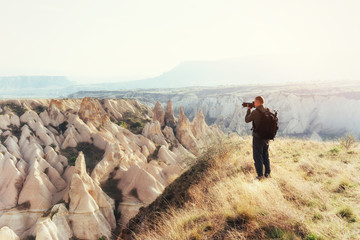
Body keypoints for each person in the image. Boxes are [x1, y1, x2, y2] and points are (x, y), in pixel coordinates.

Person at [245, 96, 271, 180]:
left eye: (255, 102)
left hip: (258, 137)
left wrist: (248, 109)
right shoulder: (267, 110)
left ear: (258, 102)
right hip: (266, 137)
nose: (254, 103)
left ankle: (260, 176)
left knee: (257, 156)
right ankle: (267, 174)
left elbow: (247, 120)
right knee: (265, 156)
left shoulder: (255, 112)